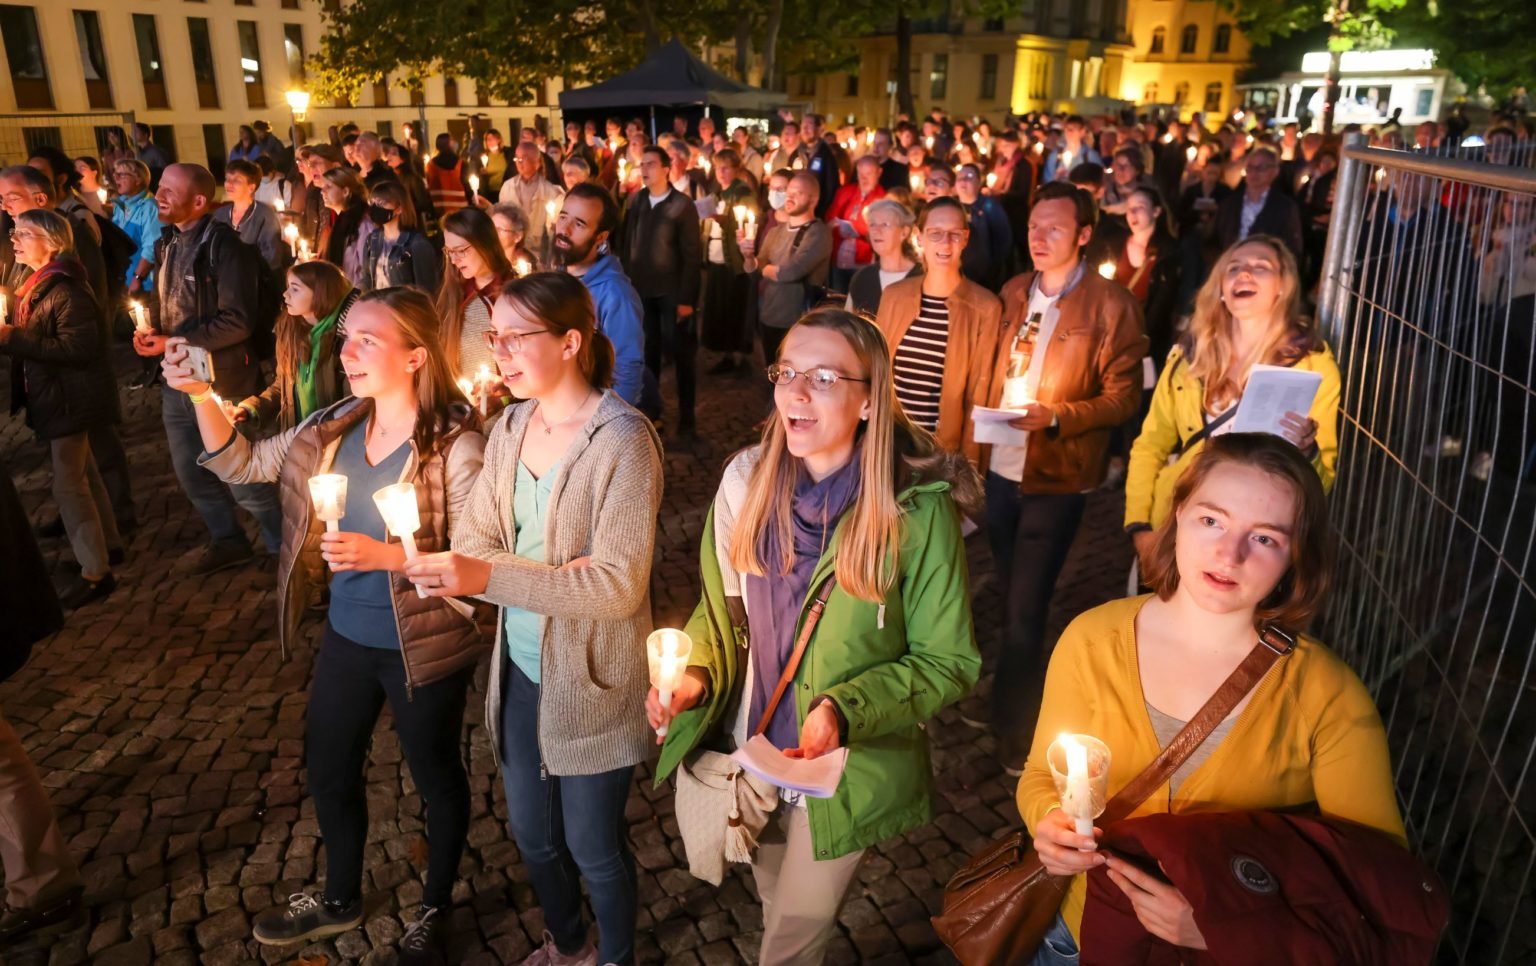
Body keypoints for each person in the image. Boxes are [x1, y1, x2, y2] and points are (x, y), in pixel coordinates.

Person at [161, 287, 486, 965]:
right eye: (345, 337)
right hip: (347, 635)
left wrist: (390, 556)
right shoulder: (331, 426)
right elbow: (243, 462)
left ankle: (434, 905)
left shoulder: (455, 443)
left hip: (421, 642)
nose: (347, 351)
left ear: (416, 356)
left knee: (434, 776)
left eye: (368, 339)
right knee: (330, 767)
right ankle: (341, 897)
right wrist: (200, 396)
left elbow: (481, 562)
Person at [654, 308, 982, 965]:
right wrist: (695, 677)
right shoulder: (745, 481)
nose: (797, 392)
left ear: (868, 399)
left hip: (842, 768)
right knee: (777, 903)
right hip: (758, 746)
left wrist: (844, 709)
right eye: (788, 372)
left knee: (789, 944)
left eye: (825, 377)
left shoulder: (915, 512)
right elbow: (724, 617)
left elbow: (949, 661)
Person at [1017, 433, 1406, 963]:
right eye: (1211, 520)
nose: (1229, 553)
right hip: (1078, 938)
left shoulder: (1328, 695)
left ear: (1297, 554)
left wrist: (1227, 925)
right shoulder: (1091, 638)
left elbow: (1377, 878)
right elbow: (1043, 773)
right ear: (1177, 514)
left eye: (1265, 538)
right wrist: (1050, 823)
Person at [403, 272, 663, 966]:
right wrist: (549, 576)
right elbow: (477, 538)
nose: (500, 352)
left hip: (593, 676)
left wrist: (497, 577)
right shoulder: (512, 425)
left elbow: (614, 587)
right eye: (495, 337)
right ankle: (570, 944)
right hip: (518, 668)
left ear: (571, 341)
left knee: (593, 844)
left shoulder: (623, 441)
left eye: (517, 337)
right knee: (532, 834)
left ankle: (616, 959)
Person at [980, 181, 1147, 771]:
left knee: (1028, 606)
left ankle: (1015, 724)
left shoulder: (1110, 304)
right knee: (1008, 592)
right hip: (1001, 467)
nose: (1039, 238)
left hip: (1057, 475)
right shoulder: (1013, 292)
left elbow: (1124, 398)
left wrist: (1060, 417)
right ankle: (1009, 693)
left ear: (1082, 235)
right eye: (1033, 226)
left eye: (1054, 228)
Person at [1126, 236, 1338, 552]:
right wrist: (1139, 526)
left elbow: (1322, 480)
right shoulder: (1189, 357)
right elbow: (1150, 444)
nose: (1244, 274)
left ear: (1283, 286)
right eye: (1234, 268)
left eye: (1260, 267)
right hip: (1174, 525)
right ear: (1222, 289)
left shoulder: (1311, 366)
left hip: (1248, 543)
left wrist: (1308, 454)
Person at [133, 163, 284, 574]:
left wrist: (175, 341)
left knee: (242, 478)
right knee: (191, 473)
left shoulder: (227, 249)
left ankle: (282, 549)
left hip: (225, 382)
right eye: (159, 187)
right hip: (177, 379)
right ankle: (228, 540)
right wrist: (153, 334)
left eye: (169, 189)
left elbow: (238, 321)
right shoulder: (167, 243)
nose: (159, 195)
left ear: (199, 201)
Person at [0, 209, 123, 608]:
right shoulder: (35, 282)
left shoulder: (65, 289)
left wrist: (12, 337)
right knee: (86, 472)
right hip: (61, 396)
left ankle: (96, 572)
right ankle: (110, 545)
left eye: (25, 233)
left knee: (69, 486)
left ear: (52, 243)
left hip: (71, 399)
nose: (14, 238)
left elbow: (79, 349)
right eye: (15, 231)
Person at [872, 196, 1002, 463]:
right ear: (920, 237)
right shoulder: (895, 296)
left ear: (965, 239)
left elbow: (980, 392)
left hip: (940, 451)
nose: (945, 242)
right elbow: (876, 368)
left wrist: (967, 465)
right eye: (936, 233)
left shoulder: (985, 307)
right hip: (891, 442)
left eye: (955, 234)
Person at [619, 145, 703, 436]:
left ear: (667, 169)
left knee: (681, 354)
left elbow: (693, 255)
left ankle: (687, 417)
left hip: (672, 293)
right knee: (647, 352)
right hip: (642, 292)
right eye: (642, 164)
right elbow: (628, 240)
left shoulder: (681, 205)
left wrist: (687, 300)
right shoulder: (638, 200)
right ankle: (651, 412)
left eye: (651, 164)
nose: (645, 169)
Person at [550, 183, 646, 406]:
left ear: (600, 236)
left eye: (580, 224)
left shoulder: (616, 294)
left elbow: (627, 369)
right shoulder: (556, 278)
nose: (565, 229)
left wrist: (610, 428)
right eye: (563, 217)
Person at [234, 260, 356, 432]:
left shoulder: (345, 340)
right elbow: (281, 386)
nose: (285, 294)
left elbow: (353, 406)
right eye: (288, 286)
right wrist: (250, 408)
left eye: (295, 288)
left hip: (331, 441)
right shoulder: (289, 333)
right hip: (296, 437)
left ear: (321, 293)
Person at [739, 171, 833, 365]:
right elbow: (753, 269)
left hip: (797, 320)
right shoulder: (775, 231)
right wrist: (748, 256)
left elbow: (791, 272)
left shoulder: (818, 233)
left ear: (813, 199)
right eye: (789, 191)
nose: (789, 197)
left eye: (797, 193)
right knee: (772, 372)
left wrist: (763, 266)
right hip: (769, 315)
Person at [1104, 185, 1182, 369]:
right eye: (1129, 208)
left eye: (1139, 207)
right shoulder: (1114, 246)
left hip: (1147, 338)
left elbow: (1165, 302)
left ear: (1156, 211)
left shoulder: (1168, 253)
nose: (1132, 213)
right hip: (1112, 332)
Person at [698, 148, 760, 373]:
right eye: (718, 168)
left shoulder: (742, 192)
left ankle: (739, 358)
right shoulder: (717, 192)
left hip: (733, 260)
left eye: (726, 168)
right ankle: (726, 355)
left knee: (735, 308)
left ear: (736, 170)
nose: (721, 172)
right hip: (716, 257)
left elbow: (750, 224)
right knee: (719, 308)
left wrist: (726, 221)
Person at [435, 207, 512, 380]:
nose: (454, 260)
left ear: (484, 243)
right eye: (449, 252)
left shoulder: (512, 294)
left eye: (461, 250)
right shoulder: (455, 292)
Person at [1215, 146, 1304, 267]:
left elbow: (1292, 249)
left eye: (1261, 168)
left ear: (1275, 171)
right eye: (1250, 167)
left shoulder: (1285, 207)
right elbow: (1213, 239)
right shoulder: (1229, 203)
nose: (1254, 173)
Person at [361, 180, 440, 293]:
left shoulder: (417, 244)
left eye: (381, 202)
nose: (375, 207)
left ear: (399, 208)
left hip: (403, 308)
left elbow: (426, 290)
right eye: (372, 202)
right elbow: (367, 279)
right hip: (378, 307)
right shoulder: (372, 240)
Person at [845, 199, 920, 316]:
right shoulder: (862, 278)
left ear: (904, 232)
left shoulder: (922, 277)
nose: (876, 230)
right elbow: (849, 324)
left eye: (885, 224)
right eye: (872, 224)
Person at [824, 155, 885, 294]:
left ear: (879, 173)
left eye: (868, 174)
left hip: (862, 262)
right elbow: (831, 218)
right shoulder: (845, 192)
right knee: (837, 299)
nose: (863, 179)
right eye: (860, 174)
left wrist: (857, 230)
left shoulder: (882, 198)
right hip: (838, 259)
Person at [214, 159, 287, 273]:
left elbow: (272, 257)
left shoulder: (264, 215)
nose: (229, 184)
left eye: (237, 180)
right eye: (227, 179)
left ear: (251, 187)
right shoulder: (220, 215)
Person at [497, 142, 564, 262]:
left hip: (540, 253)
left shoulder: (550, 191)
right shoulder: (507, 187)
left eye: (524, 158)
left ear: (537, 162)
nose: (519, 162)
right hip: (512, 252)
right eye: (517, 158)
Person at [955, 162, 1014, 292]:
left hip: (986, 278)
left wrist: (992, 267)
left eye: (969, 176)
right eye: (960, 177)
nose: (964, 180)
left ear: (979, 183)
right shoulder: (952, 209)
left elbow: (1003, 240)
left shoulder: (990, 207)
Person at [319, 167, 374, 288]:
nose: (322, 191)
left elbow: (366, 269)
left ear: (345, 192)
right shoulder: (342, 221)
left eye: (328, 187)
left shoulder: (363, 223)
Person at [489, 202, 537, 273]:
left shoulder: (525, 268)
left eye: (499, 230)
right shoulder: (482, 262)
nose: (493, 233)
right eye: (491, 227)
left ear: (517, 236)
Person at [130, 123, 169, 188]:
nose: (132, 134)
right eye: (132, 132)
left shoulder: (155, 151)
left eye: (136, 131)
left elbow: (164, 169)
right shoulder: (135, 151)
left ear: (145, 135)